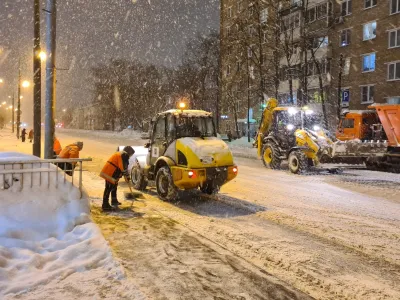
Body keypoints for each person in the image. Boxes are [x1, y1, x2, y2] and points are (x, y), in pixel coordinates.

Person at [100, 146, 135, 211]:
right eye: (131, 154)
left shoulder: (121, 154)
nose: (130, 156)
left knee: (114, 186)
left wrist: (125, 176)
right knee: (108, 188)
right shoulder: (124, 155)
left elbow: (122, 167)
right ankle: (105, 205)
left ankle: (114, 200)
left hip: (112, 173)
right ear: (129, 152)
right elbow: (124, 168)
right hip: (110, 173)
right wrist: (127, 177)